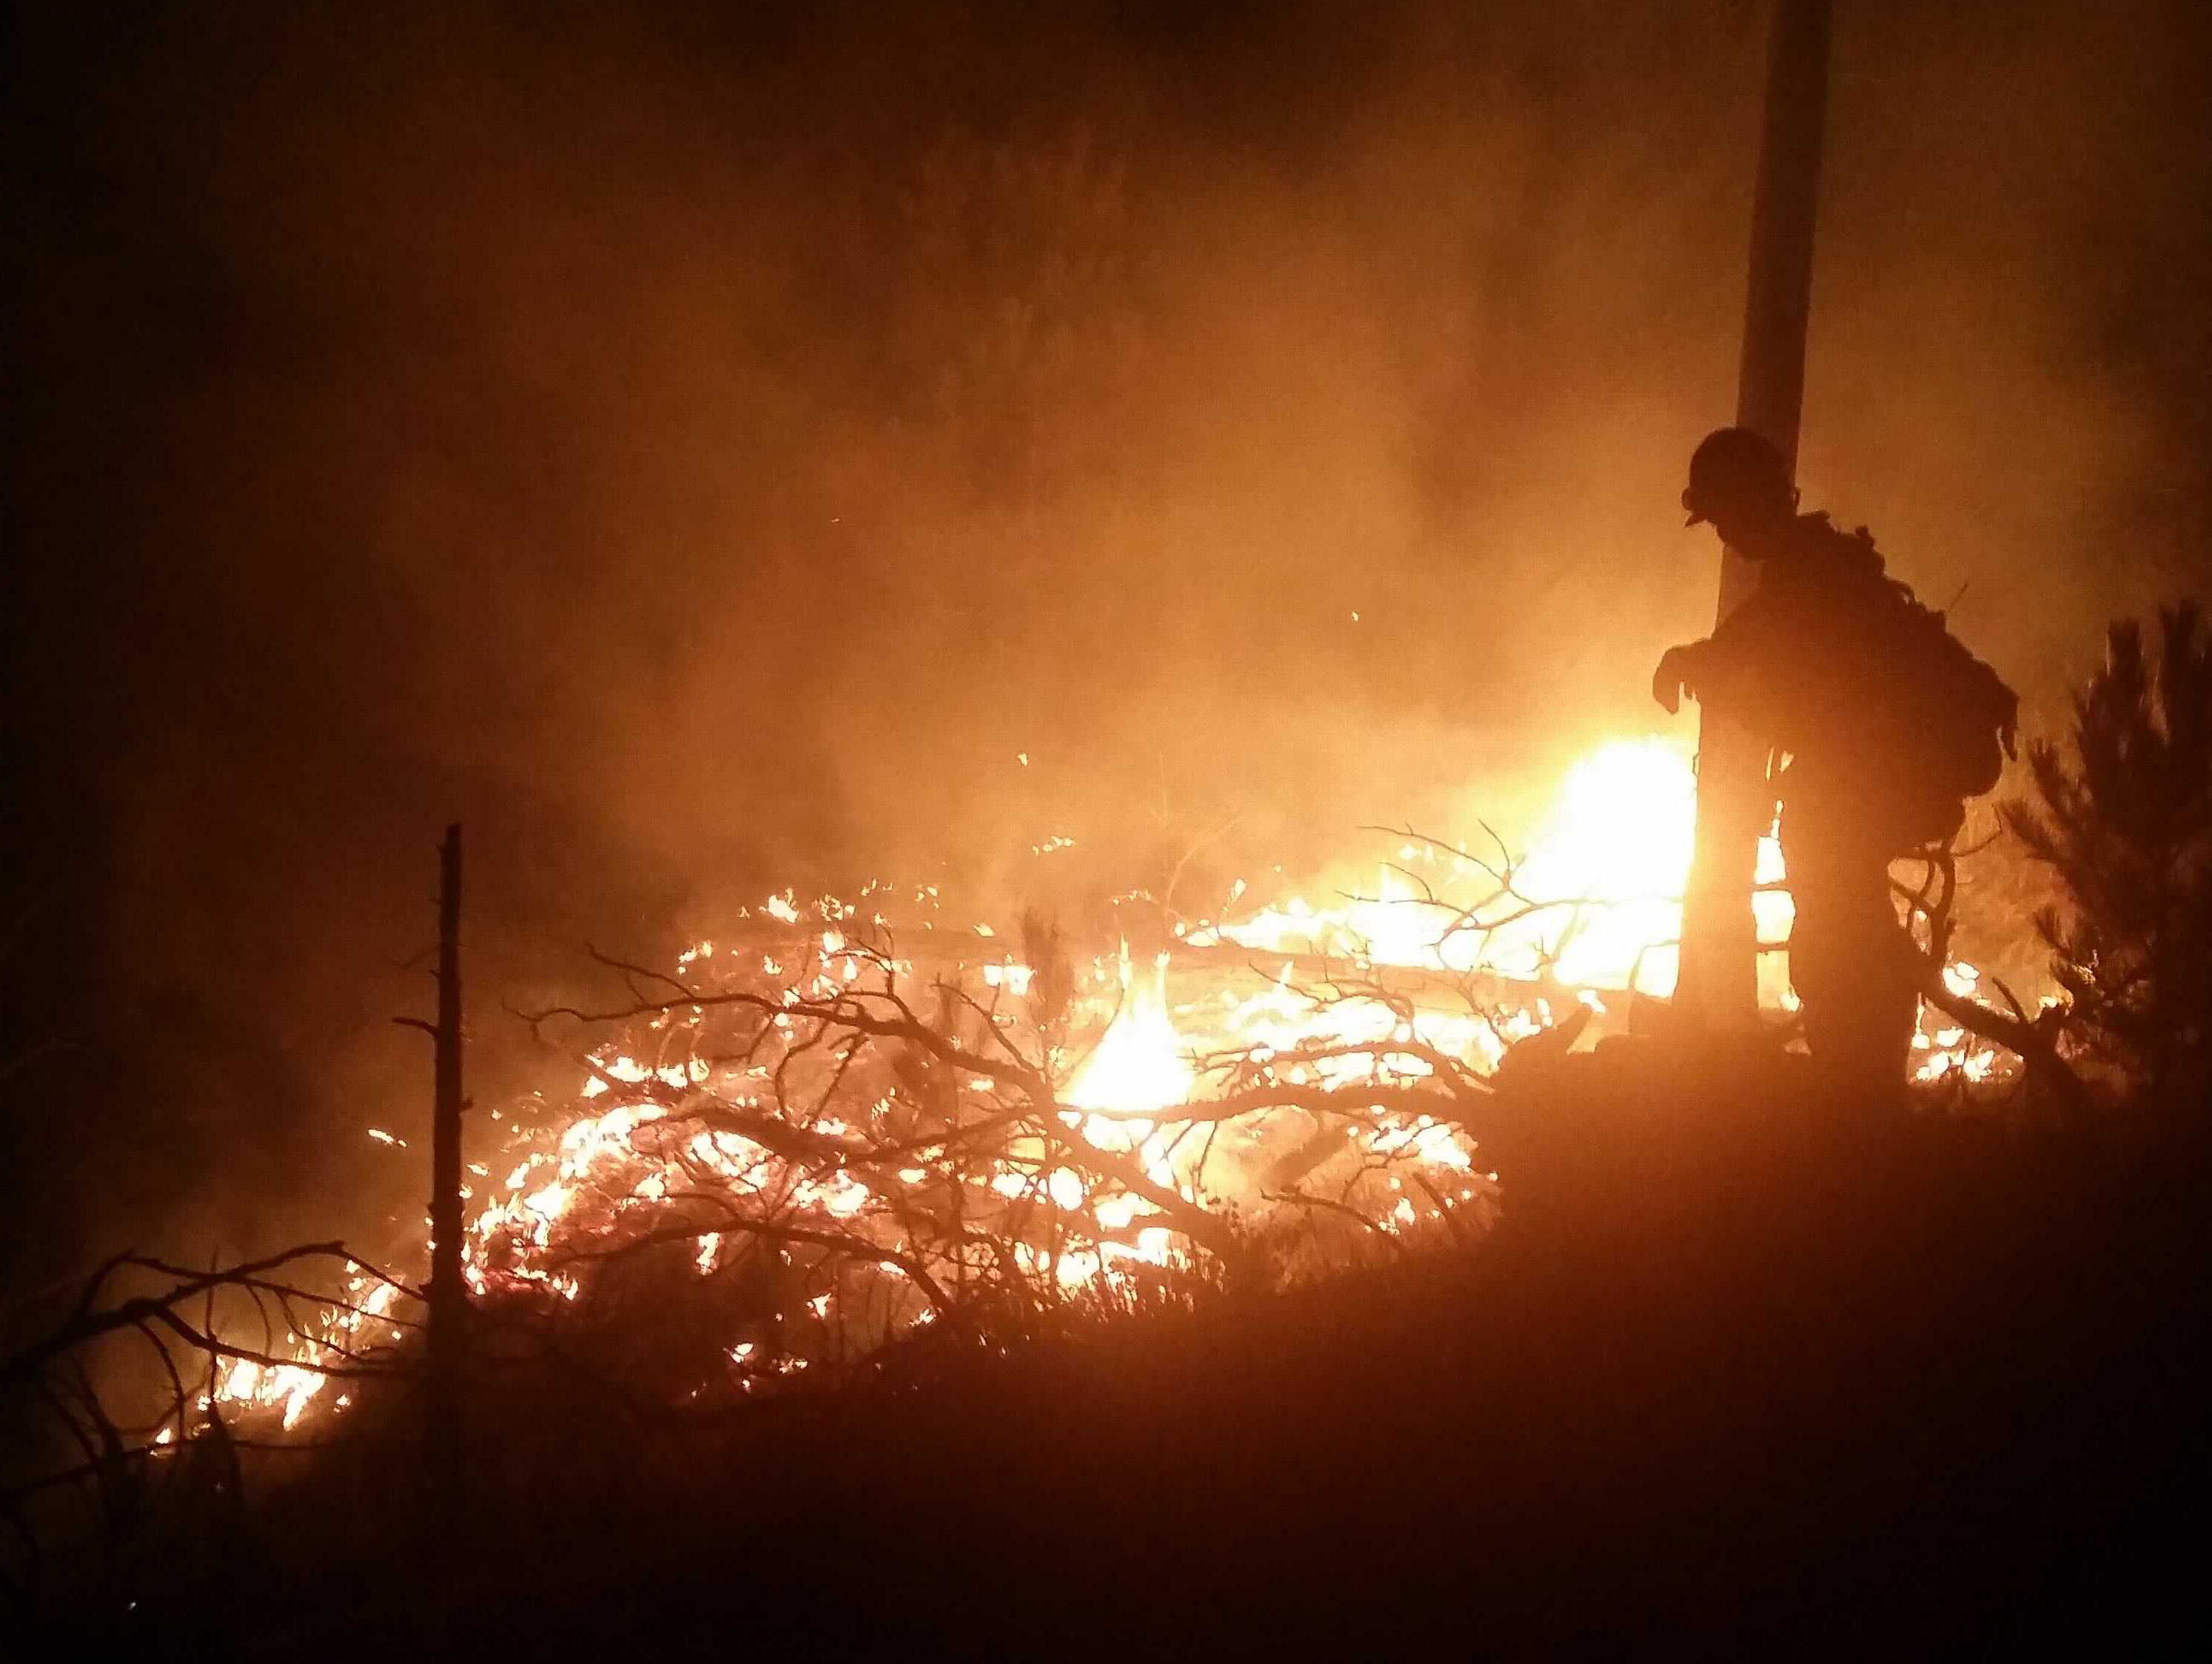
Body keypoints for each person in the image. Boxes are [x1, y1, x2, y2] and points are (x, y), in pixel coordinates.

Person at [1652, 428, 1998, 1100]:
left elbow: (1790, 663)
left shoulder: (1813, 574)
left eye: (1724, 516)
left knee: (1840, 932)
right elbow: (1762, 647)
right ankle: (1861, 1076)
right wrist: (1700, 662)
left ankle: (1858, 1087)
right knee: (1844, 918)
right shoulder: (1810, 568)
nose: (1723, 535)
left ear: (1755, 502)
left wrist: (1698, 665)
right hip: (1866, 777)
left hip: (1867, 781)